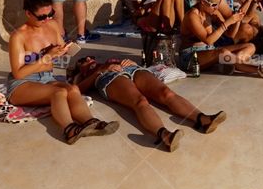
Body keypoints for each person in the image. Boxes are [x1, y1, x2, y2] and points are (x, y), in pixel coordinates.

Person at [6, 0, 119, 144]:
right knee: (58, 93)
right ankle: (70, 129)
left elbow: (60, 48)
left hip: (46, 77)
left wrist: (65, 49)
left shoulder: (51, 25)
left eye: (50, 14)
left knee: (73, 89)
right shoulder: (18, 36)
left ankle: (91, 122)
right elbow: (18, 73)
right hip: (22, 84)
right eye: (41, 17)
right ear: (28, 13)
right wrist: (46, 57)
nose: (46, 20)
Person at [69, 55, 226, 152]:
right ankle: (165, 135)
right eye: (83, 60)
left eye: (90, 57)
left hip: (132, 69)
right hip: (108, 78)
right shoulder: (85, 74)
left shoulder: (106, 61)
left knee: (166, 94)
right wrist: (99, 70)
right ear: (79, 69)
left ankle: (203, 119)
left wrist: (130, 63)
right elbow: (77, 89)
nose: (88, 59)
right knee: (140, 101)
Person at [180, 0, 263, 78]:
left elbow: (230, 34)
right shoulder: (192, 16)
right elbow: (208, 40)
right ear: (203, 2)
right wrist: (228, 22)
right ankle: (257, 69)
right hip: (191, 57)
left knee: (250, 46)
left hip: (210, 51)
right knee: (222, 52)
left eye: (219, 3)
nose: (217, 7)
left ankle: (230, 63)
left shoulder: (213, 12)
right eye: (214, 5)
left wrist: (237, 19)